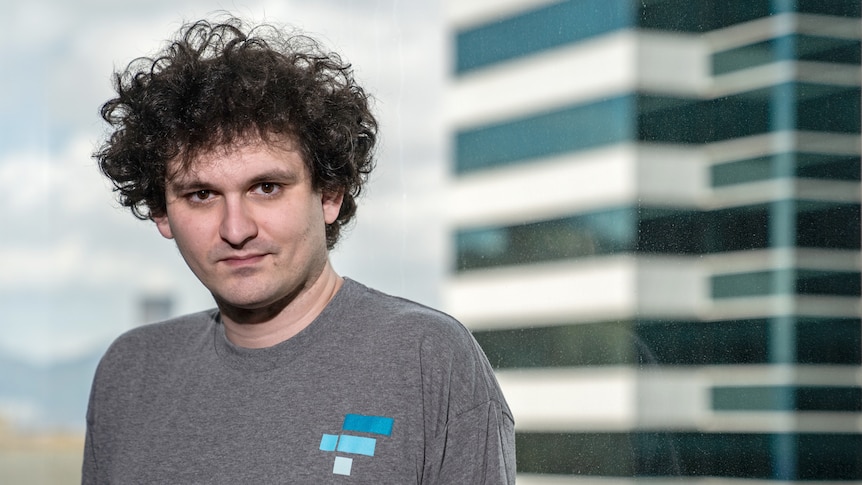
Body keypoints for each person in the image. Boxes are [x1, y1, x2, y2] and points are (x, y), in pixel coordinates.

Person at [82, 15, 515, 484]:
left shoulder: (427, 357)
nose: (235, 228)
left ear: (329, 195)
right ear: (162, 213)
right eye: (201, 195)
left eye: (266, 187)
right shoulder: (130, 372)